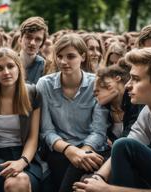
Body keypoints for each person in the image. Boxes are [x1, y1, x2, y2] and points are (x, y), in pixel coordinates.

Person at [74, 46, 151, 192]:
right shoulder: (149, 110)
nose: (127, 85)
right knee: (123, 145)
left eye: (135, 79)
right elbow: (128, 144)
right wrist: (98, 178)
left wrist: (108, 189)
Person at [36, 34, 110, 191]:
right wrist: (70, 150)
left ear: (83, 57)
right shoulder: (44, 84)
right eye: (60, 56)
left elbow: (99, 131)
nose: (63, 62)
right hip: (60, 149)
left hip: (91, 150)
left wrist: (82, 153)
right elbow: (47, 130)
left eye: (70, 56)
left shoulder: (96, 83)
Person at [0, 47, 42, 192]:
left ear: (18, 67)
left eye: (10, 66)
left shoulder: (32, 93)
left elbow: (33, 137)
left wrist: (22, 162)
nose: (6, 72)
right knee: (17, 181)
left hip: (26, 156)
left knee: (20, 180)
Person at [93, 59, 142, 145]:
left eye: (107, 86)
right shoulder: (104, 108)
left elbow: (134, 133)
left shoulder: (135, 101)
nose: (98, 92)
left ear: (118, 79)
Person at [19, 16, 48, 84]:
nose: (32, 43)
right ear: (21, 38)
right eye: (29, 37)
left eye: (38, 39)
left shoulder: (46, 67)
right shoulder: (9, 63)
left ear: (42, 42)